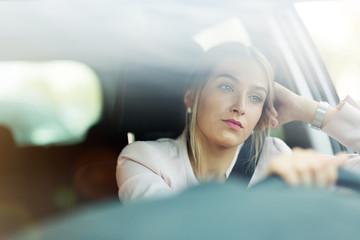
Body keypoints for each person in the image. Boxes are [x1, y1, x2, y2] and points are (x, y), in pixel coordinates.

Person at [116, 43, 360, 203]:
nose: (240, 107)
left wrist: (306, 109)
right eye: (226, 86)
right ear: (191, 95)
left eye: (256, 97)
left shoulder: (276, 158)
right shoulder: (144, 161)